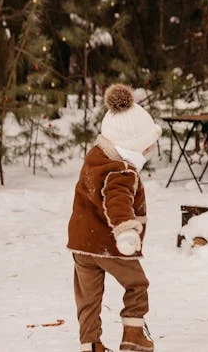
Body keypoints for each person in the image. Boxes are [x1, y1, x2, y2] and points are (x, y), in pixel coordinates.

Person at [67, 84, 161, 352]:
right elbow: (117, 200)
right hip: (109, 244)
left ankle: (90, 344)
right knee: (137, 285)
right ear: (133, 145)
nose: (148, 152)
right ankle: (133, 335)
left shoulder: (95, 159)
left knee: (88, 297)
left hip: (81, 245)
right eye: (147, 147)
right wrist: (126, 231)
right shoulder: (122, 170)